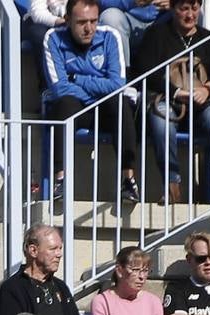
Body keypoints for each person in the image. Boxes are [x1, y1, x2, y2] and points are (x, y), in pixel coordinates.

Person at [130, 0, 210, 203]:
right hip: (167, 99)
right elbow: (146, 74)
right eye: (184, 9)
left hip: (201, 102)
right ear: (172, 9)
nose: (190, 15)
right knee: (162, 122)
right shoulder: (156, 35)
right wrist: (177, 92)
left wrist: (207, 89)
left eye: (194, 9)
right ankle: (172, 185)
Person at [41, 0, 140, 203]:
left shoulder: (110, 37)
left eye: (93, 21)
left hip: (104, 107)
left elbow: (117, 84)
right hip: (75, 106)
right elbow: (59, 88)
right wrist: (97, 90)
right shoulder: (53, 38)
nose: (89, 28)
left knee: (119, 104)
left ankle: (128, 181)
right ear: (67, 21)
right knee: (65, 105)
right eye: (81, 22)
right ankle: (61, 179)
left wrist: (77, 78)